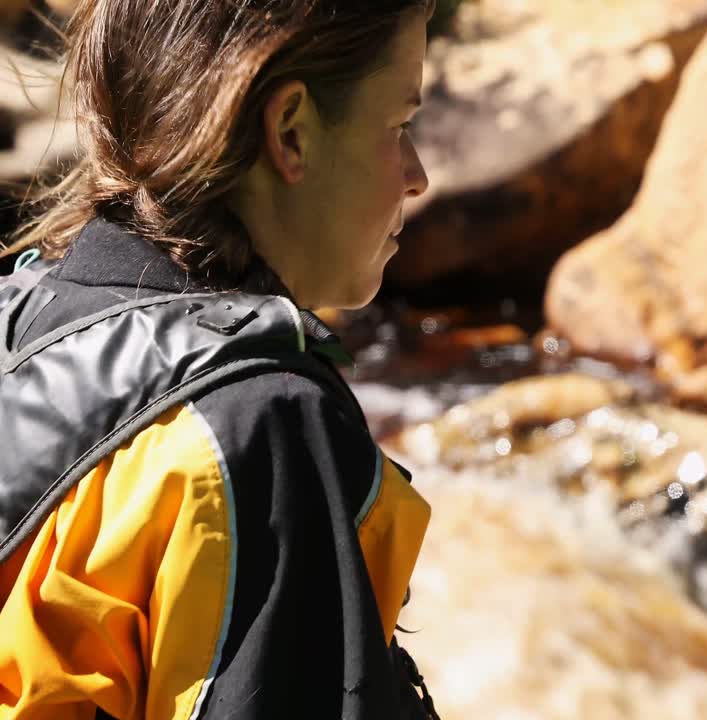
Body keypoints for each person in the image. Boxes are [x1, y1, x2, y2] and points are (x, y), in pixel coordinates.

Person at [0, 0, 438, 717]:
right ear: (291, 131)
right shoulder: (260, 427)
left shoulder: (23, 323)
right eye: (400, 126)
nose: (417, 175)